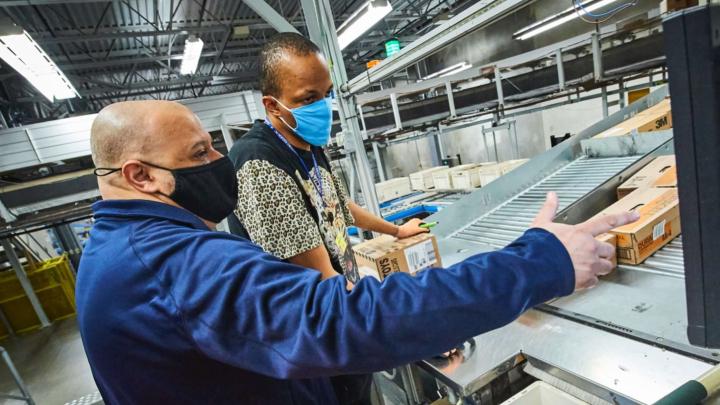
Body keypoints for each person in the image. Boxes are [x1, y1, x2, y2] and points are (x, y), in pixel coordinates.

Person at [76, 99, 636, 404]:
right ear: (142, 176)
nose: (219, 161)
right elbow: (334, 319)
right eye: (200, 152)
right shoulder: (168, 264)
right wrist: (543, 261)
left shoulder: (119, 249)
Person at [227, 33, 427, 285]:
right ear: (273, 105)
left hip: (340, 290)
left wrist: (397, 231)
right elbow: (320, 277)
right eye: (309, 98)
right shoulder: (258, 163)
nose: (323, 107)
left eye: (327, 93)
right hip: (313, 309)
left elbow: (339, 205)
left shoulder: (306, 143)